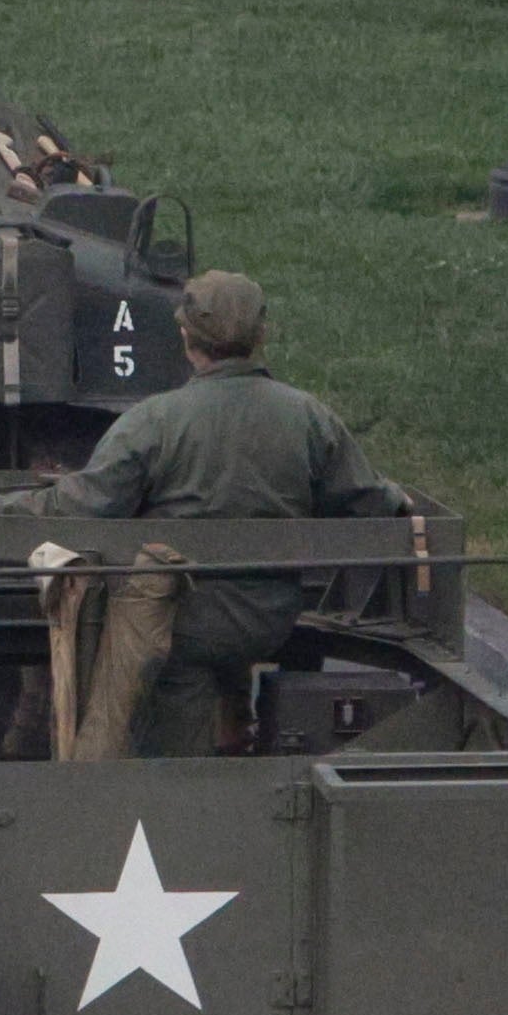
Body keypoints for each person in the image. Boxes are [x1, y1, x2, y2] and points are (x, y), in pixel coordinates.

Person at [48, 271, 414, 754]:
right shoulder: (308, 417)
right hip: (270, 618)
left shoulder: (153, 421)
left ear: (185, 338)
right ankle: (243, 734)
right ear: (261, 336)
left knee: (174, 720)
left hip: (184, 626)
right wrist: (397, 500)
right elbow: (366, 499)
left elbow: (82, 505)